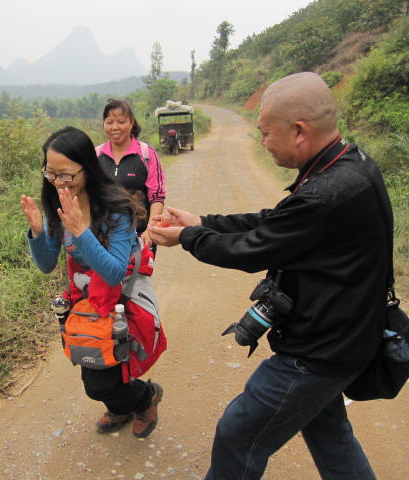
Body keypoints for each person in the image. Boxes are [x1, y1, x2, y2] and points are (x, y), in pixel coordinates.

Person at [149, 72, 390, 479]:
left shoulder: (326, 193)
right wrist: (204, 221)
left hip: (319, 351)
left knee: (238, 433)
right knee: (330, 436)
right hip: (347, 335)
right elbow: (275, 222)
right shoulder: (349, 165)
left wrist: (189, 237)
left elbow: (252, 248)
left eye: (265, 133)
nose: (261, 141)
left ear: (298, 131)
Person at [20, 126, 164, 438]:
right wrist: (36, 232)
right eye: (51, 174)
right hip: (87, 303)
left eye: (67, 175)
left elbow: (113, 272)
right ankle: (122, 404)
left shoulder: (116, 210)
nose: (59, 182)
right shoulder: (58, 207)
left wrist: (80, 231)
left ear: (88, 167)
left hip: (121, 298)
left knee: (100, 381)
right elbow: (46, 264)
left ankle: (144, 397)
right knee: (95, 364)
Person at [97, 98, 167, 253]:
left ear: (131, 123)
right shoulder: (96, 155)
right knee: (106, 277)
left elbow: (157, 196)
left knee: (137, 277)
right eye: (110, 122)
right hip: (103, 239)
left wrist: (151, 230)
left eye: (121, 122)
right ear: (104, 124)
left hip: (139, 237)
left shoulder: (146, 154)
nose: (115, 127)